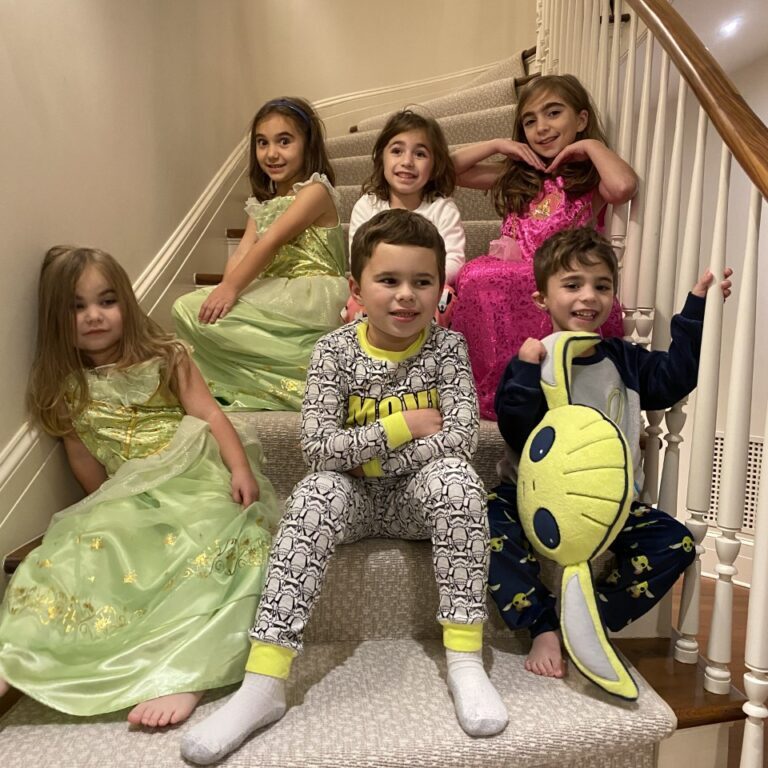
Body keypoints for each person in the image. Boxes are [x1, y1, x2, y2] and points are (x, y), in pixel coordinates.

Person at [180, 210, 508, 765]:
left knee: (460, 486)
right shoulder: (334, 351)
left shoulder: (447, 350)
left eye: (422, 282)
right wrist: (402, 425)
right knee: (312, 495)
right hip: (348, 502)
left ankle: (465, 660)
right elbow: (316, 450)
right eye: (389, 281)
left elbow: (460, 440)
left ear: (440, 289)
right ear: (356, 288)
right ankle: (263, 683)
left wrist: (369, 458)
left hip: (414, 501)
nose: (406, 296)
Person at [0, 246, 280, 726]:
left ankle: (190, 671)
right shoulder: (65, 386)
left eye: (106, 301)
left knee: (219, 538)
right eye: (77, 306)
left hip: (192, 471)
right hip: (129, 489)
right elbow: (83, 456)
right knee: (68, 554)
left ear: (126, 304)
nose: (94, 316)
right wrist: (99, 506)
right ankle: (15, 656)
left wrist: (240, 470)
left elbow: (211, 413)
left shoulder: (164, 356)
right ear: (55, 318)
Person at [488, 227, 732, 678]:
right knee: (487, 519)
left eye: (602, 286)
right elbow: (517, 429)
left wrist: (696, 309)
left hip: (611, 510)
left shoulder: (625, 359)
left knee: (677, 543)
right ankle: (540, 623)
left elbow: (676, 378)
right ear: (542, 297)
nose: (589, 296)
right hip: (534, 502)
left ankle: (586, 619)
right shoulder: (534, 358)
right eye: (573, 284)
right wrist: (524, 372)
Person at [450, 74, 637, 419]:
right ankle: (491, 389)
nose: (542, 128)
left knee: (552, 284)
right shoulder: (518, 175)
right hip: (511, 273)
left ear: (580, 120)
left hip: (561, 276)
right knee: (476, 276)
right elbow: (446, 172)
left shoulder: (588, 178)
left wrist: (590, 147)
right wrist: (497, 145)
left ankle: (551, 379)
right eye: (530, 121)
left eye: (554, 114)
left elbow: (624, 186)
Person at [172, 97, 347, 411]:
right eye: (262, 143)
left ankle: (305, 374)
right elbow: (243, 250)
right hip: (274, 291)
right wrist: (224, 297)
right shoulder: (261, 202)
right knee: (187, 310)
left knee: (188, 309)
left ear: (308, 145)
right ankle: (248, 379)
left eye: (284, 141)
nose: (272, 153)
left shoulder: (315, 191)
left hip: (312, 294)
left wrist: (232, 288)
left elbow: (271, 243)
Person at [345, 109, 464, 326]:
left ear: (435, 164)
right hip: (381, 285)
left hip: (425, 286)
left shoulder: (442, 208)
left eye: (420, 154)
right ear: (381, 156)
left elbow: (455, 259)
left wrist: (421, 279)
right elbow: (357, 258)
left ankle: (428, 355)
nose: (407, 161)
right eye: (397, 151)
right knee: (355, 305)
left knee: (445, 298)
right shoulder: (367, 205)